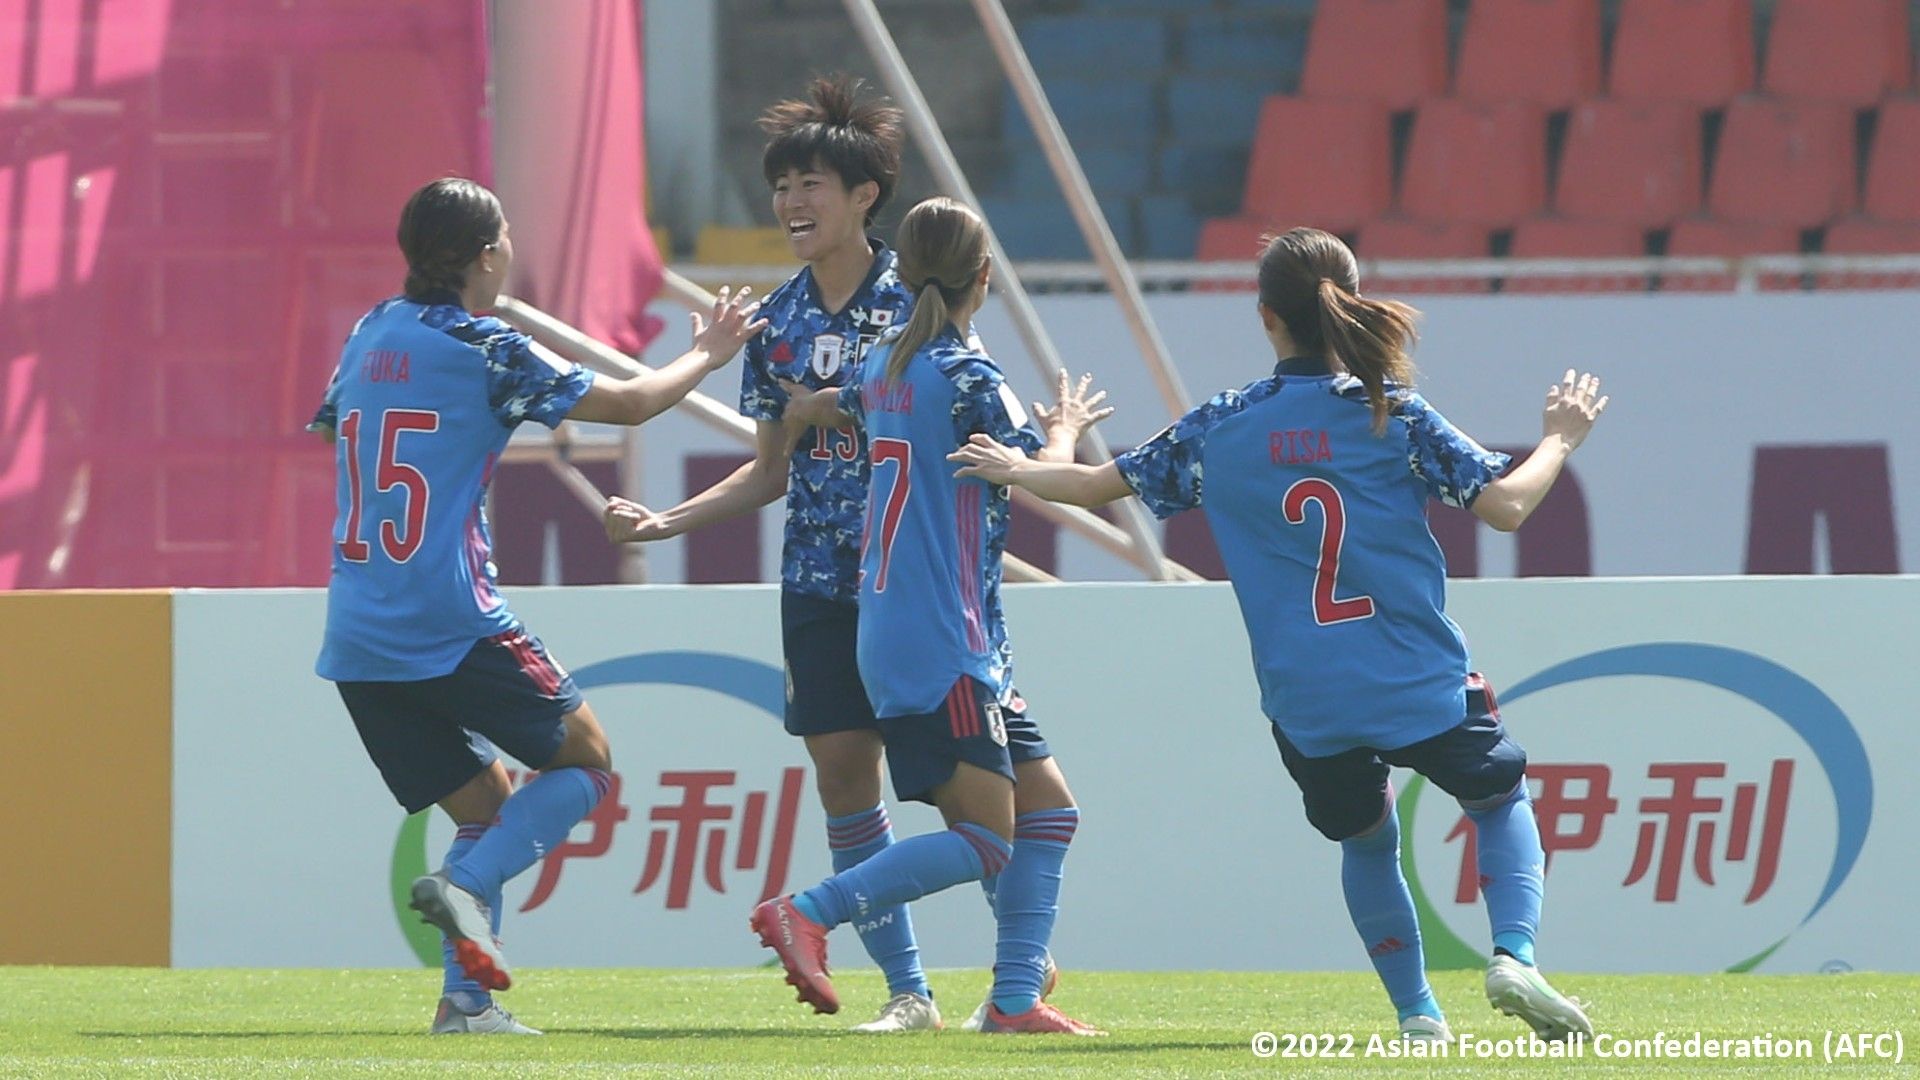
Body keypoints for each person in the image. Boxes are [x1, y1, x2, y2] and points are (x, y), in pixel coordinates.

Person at [948, 227, 1607, 1044]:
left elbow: (1088, 486)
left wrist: (1017, 465)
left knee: (1367, 843)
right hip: (1414, 675)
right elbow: (1505, 506)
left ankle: (1418, 1017)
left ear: (1265, 315)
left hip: (1307, 697)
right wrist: (1560, 437)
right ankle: (1514, 956)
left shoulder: (1224, 424)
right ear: (1350, 303)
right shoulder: (1390, 412)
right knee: (1498, 798)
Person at [310, 176, 764, 1035]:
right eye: (508, 237)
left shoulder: (372, 330)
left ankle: (465, 1005)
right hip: (449, 616)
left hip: (359, 630)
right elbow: (632, 404)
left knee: (486, 808)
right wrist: (710, 351)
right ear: (487, 255)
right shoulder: (486, 347)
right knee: (588, 758)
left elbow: (338, 427)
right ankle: (465, 887)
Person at [602, 75, 948, 1033]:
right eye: (782, 185)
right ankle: (909, 992)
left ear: (865, 196)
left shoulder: (920, 305)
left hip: (918, 579)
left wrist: (846, 407)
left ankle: (1021, 978)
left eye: (811, 184)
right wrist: (664, 522)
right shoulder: (778, 324)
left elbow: (953, 420)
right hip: (818, 583)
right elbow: (767, 473)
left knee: (971, 791)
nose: (791, 201)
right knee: (843, 777)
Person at [749, 196, 1108, 1036]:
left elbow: (840, 406)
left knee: (1050, 812)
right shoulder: (971, 377)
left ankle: (1014, 1001)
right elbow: (1046, 477)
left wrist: (803, 406)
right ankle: (806, 910)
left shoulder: (886, 366)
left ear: (903, 275)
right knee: (988, 839)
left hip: (916, 627)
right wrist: (1064, 429)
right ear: (984, 276)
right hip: (942, 635)